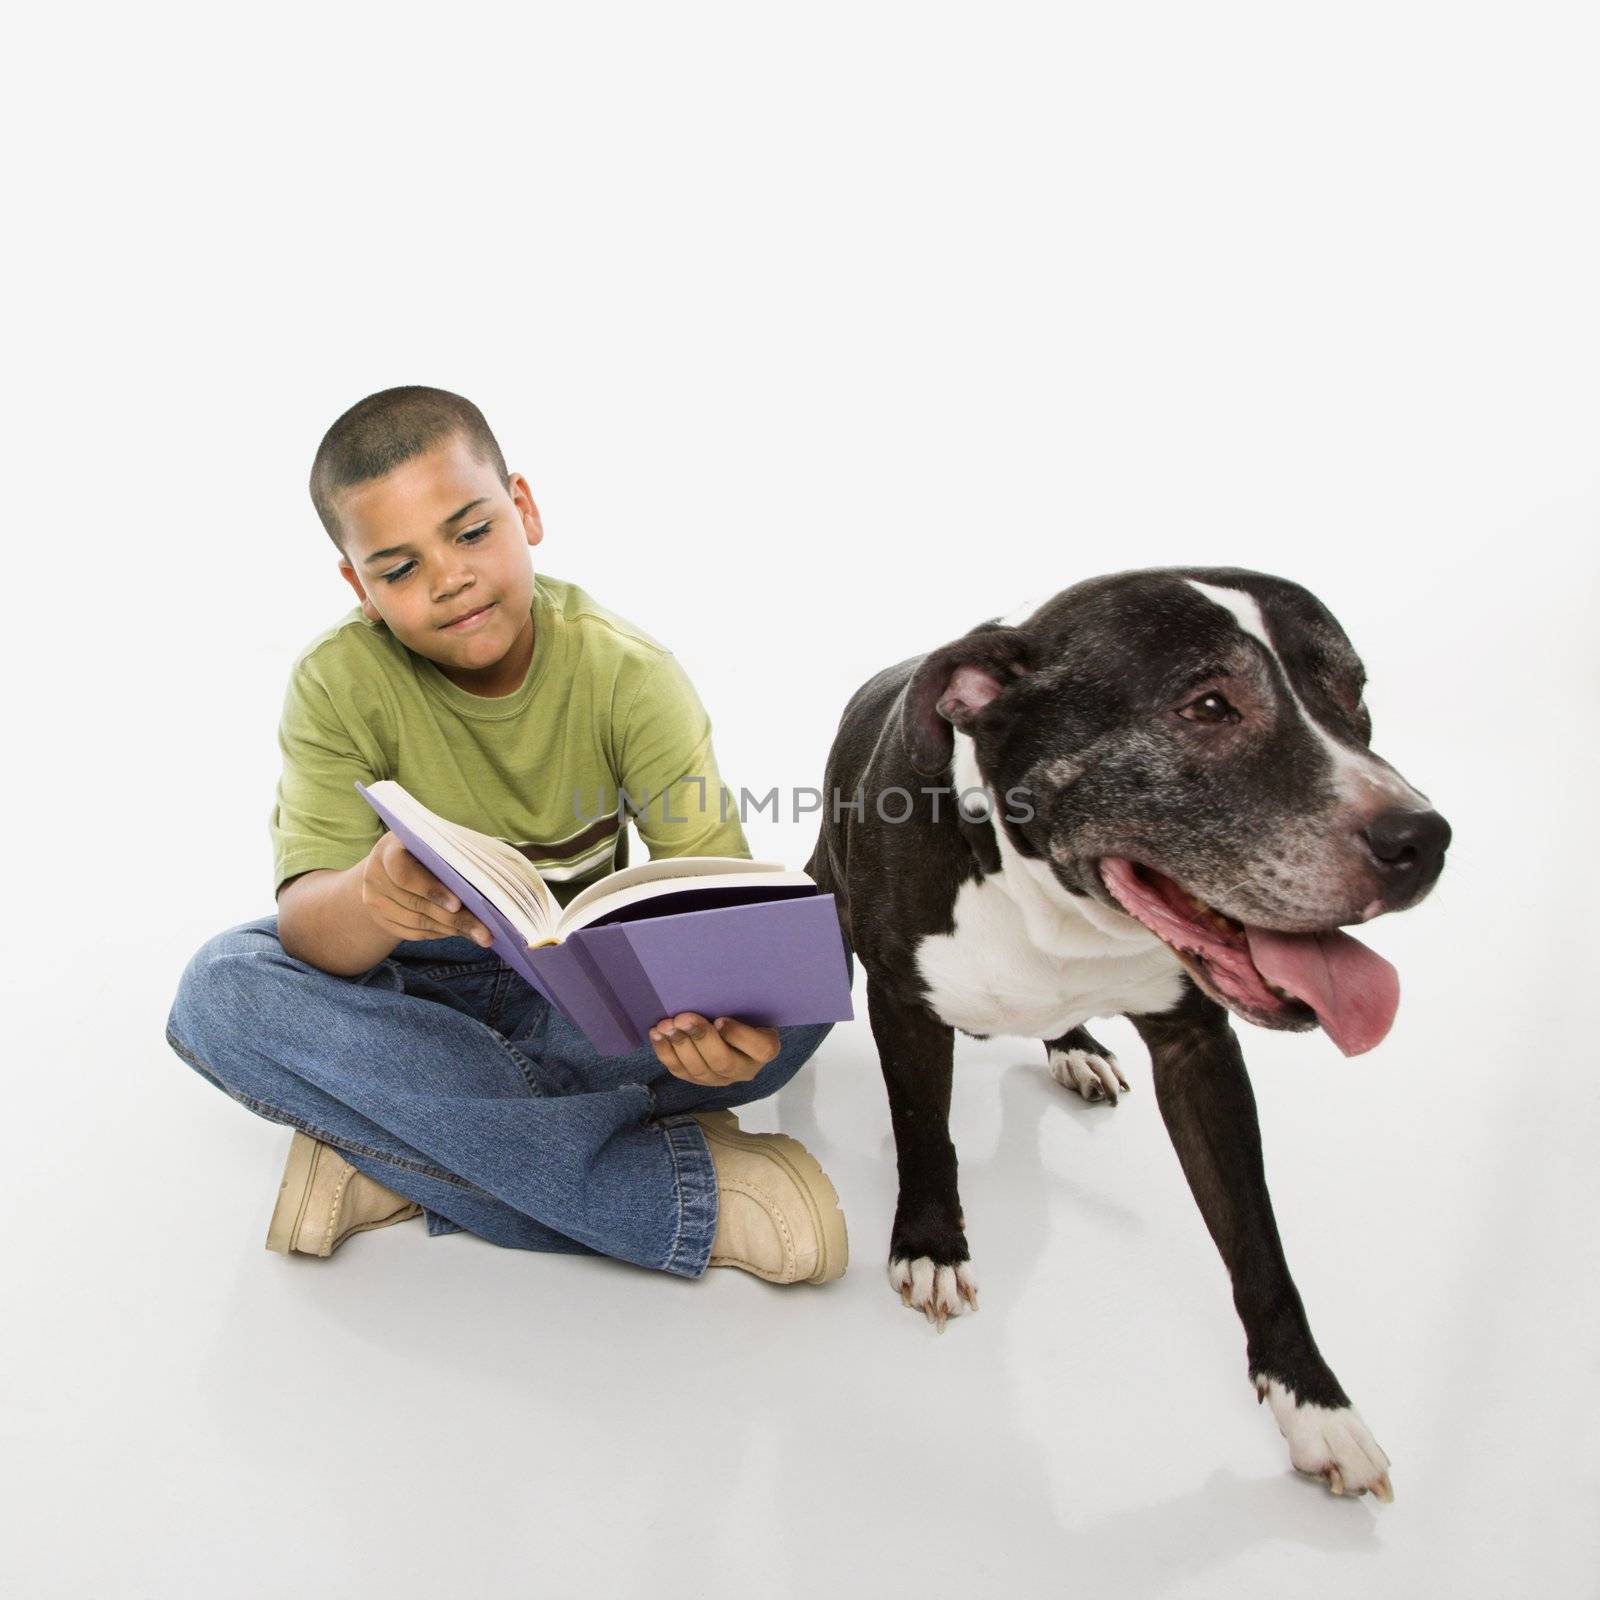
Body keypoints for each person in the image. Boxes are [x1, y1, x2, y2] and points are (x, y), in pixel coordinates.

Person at [165, 385, 851, 1286]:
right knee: (222, 989)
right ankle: (687, 1196)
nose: (449, 578)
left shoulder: (626, 672)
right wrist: (372, 897)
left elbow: (714, 908)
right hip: (408, 992)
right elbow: (308, 938)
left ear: (523, 508)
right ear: (358, 586)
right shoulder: (337, 682)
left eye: (472, 532)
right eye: (399, 569)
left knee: (805, 998)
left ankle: (386, 1145)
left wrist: (726, 1025)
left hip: (584, 1002)